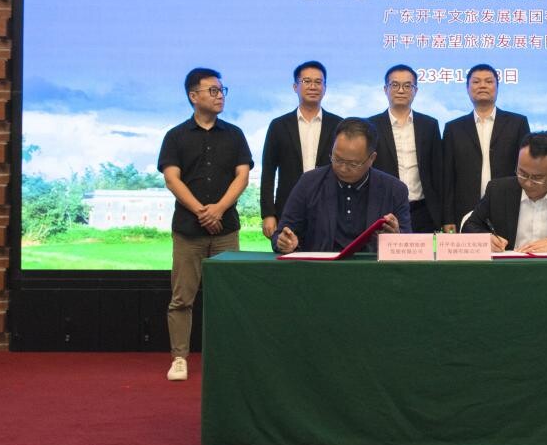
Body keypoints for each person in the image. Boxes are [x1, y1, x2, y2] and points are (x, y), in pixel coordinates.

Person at [157, 68, 253, 381]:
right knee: (182, 298)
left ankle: (227, 357)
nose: (220, 95)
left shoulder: (235, 134)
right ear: (193, 96)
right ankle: (179, 358)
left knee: (228, 296)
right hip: (188, 230)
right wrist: (202, 211)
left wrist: (219, 209)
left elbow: (242, 176)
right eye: (212, 90)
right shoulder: (175, 136)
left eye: (222, 90)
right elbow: (172, 179)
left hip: (226, 230)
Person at [272, 118, 411, 254]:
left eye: (353, 164)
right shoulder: (309, 183)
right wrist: (285, 242)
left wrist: (397, 236)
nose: (343, 168)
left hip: (372, 267)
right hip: (322, 267)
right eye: (337, 159)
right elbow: (281, 234)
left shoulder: (395, 190)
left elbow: (408, 242)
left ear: (371, 158)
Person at [441, 63, 530, 229]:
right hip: (465, 210)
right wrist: (448, 217)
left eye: (489, 81)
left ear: (497, 87)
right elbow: (448, 176)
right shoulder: (453, 128)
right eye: (476, 82)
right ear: (467, 88)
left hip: (509, 206)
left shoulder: (518, 123)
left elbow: (526, 169)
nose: (482, 86)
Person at [260, 60, 342, 240]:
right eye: (306, 81)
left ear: (325, 88)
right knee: (288, 254)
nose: (313, 86)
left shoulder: (339, 125)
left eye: (318, 82)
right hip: (289, 207)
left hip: (330, 207)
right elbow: (268, 172)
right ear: (295, 87)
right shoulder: (279, 125)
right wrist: (268, 213)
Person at [368, 64, 443, 233]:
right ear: (385, 89)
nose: (401, 90)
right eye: (395, 85)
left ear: (415, 90)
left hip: (423, 210)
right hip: (384, 211)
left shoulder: (429, 125)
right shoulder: (371, 125)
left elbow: (438, 172)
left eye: (407, 85)